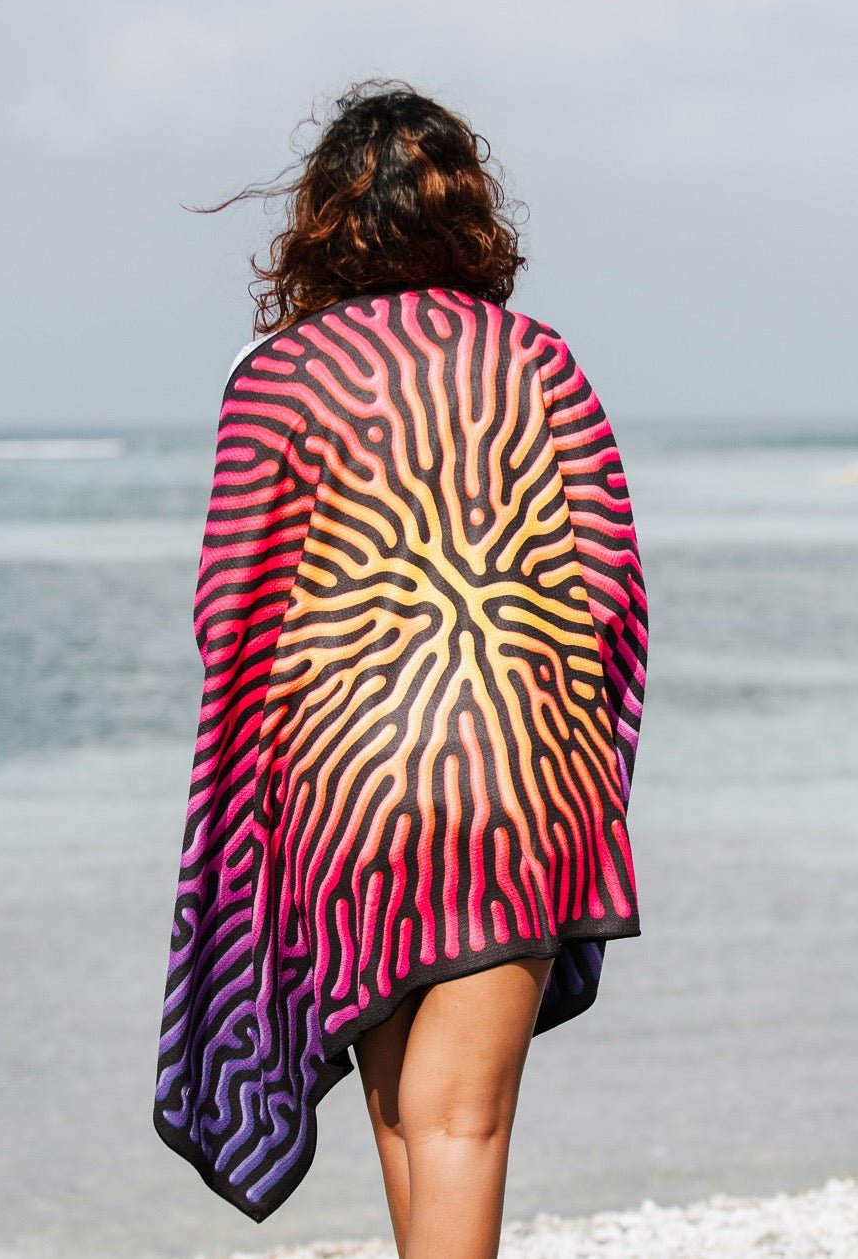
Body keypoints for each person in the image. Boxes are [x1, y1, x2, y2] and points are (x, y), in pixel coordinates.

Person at [152, 79, 650, 1259]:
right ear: (468, 211)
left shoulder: (276, 378)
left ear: (323, 220)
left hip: (349, 783)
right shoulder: (539, 362)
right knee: (459, 1119)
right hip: (515, 774)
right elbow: (614, 589)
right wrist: (580, 756)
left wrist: (269, 781)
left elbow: (228, 606)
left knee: (400, 1111)